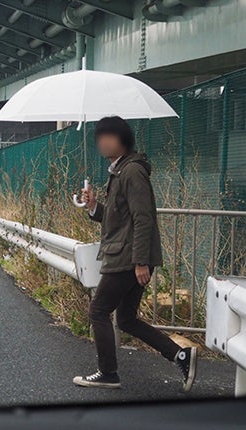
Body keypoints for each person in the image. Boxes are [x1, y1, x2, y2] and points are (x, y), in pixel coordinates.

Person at [74, 116, 197, 392]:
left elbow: (144, 219)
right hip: (127, 255)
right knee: (127, 319)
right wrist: (95, 206)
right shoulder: (120, 172)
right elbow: (119, 220)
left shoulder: (132, 172)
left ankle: (108, 373)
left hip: (129, 258)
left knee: (98, 311)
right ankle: (180, 355)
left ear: (124, 140)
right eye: (100, 137)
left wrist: (141, 261)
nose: (103, 142)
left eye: (109, 136)